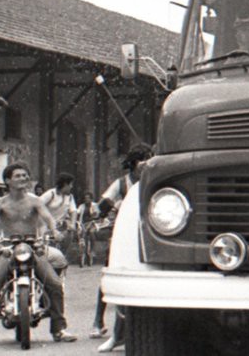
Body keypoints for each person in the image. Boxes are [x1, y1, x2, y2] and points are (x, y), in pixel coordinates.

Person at [0, 161, 76, 346]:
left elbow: (48, 219)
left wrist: (54, 231)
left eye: (25, 175)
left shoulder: (35, 200)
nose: (23, 178)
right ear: (8, 181)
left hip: (33, 246)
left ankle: (59, 329)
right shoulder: (0, 202)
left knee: (55, 284)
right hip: (9, 248)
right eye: (18, 176)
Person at [93, 144, 154, 350]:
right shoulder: (122, 184)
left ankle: (129, 332)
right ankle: (100, 323)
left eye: (150, 157)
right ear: (133, 163)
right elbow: (101, 205)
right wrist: (116, 206)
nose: (147, 162)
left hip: (150, 235)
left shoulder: (156, 179)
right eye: (143, 158)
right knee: (114, 275)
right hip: (124, 235)